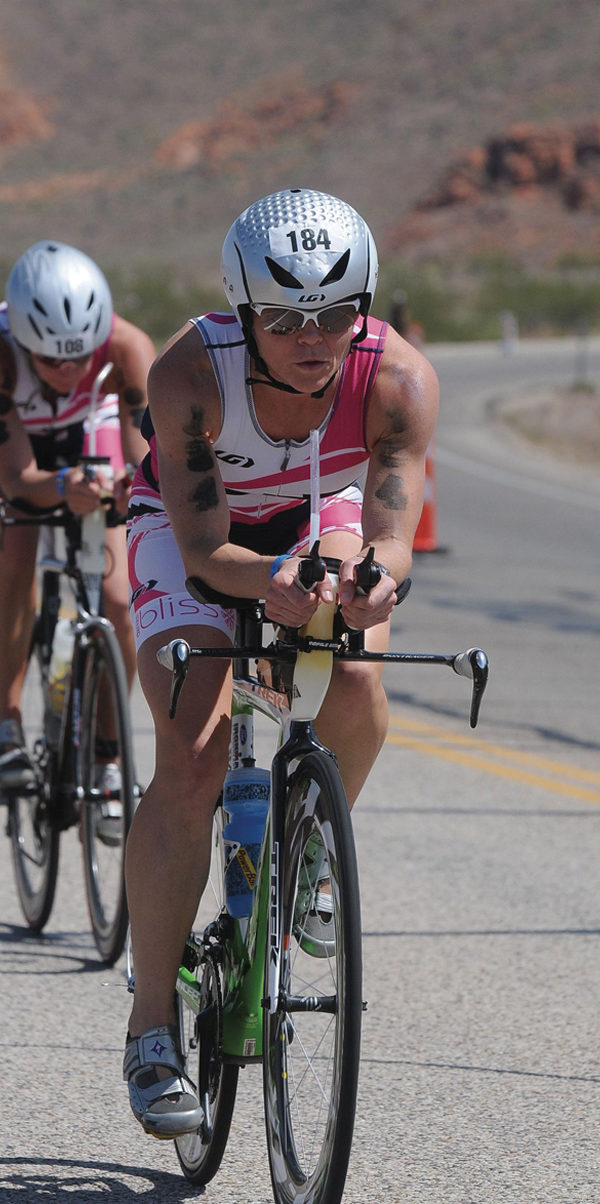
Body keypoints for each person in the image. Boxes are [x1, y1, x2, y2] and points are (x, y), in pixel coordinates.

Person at [124, 187, 439, 1137]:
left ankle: (307, 858)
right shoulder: (191, 372)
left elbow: (391, 535)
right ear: (245, 311)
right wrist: (267, 584)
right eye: (287, 318)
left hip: (317, 514)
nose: (314, 337)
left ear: (363, 305)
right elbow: (205, 552)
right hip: (198, 533)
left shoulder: (398, 379)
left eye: (335, 313)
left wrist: (376, 583)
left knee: (357, 670)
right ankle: (151, 1030)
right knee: (192, 756)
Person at [0, 239, 155, 789]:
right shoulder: (3, 354)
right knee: (13, 562)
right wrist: (65, 485)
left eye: (80, 357)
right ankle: (7, 727)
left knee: (119, 601)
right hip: (22, 452)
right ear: (24, 342)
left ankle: (108, 755)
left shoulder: (126, 347)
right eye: (50, 360)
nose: (68, 370)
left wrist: (128, 487)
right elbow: (17, 481)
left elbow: (149, 464)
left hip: (91, 434)